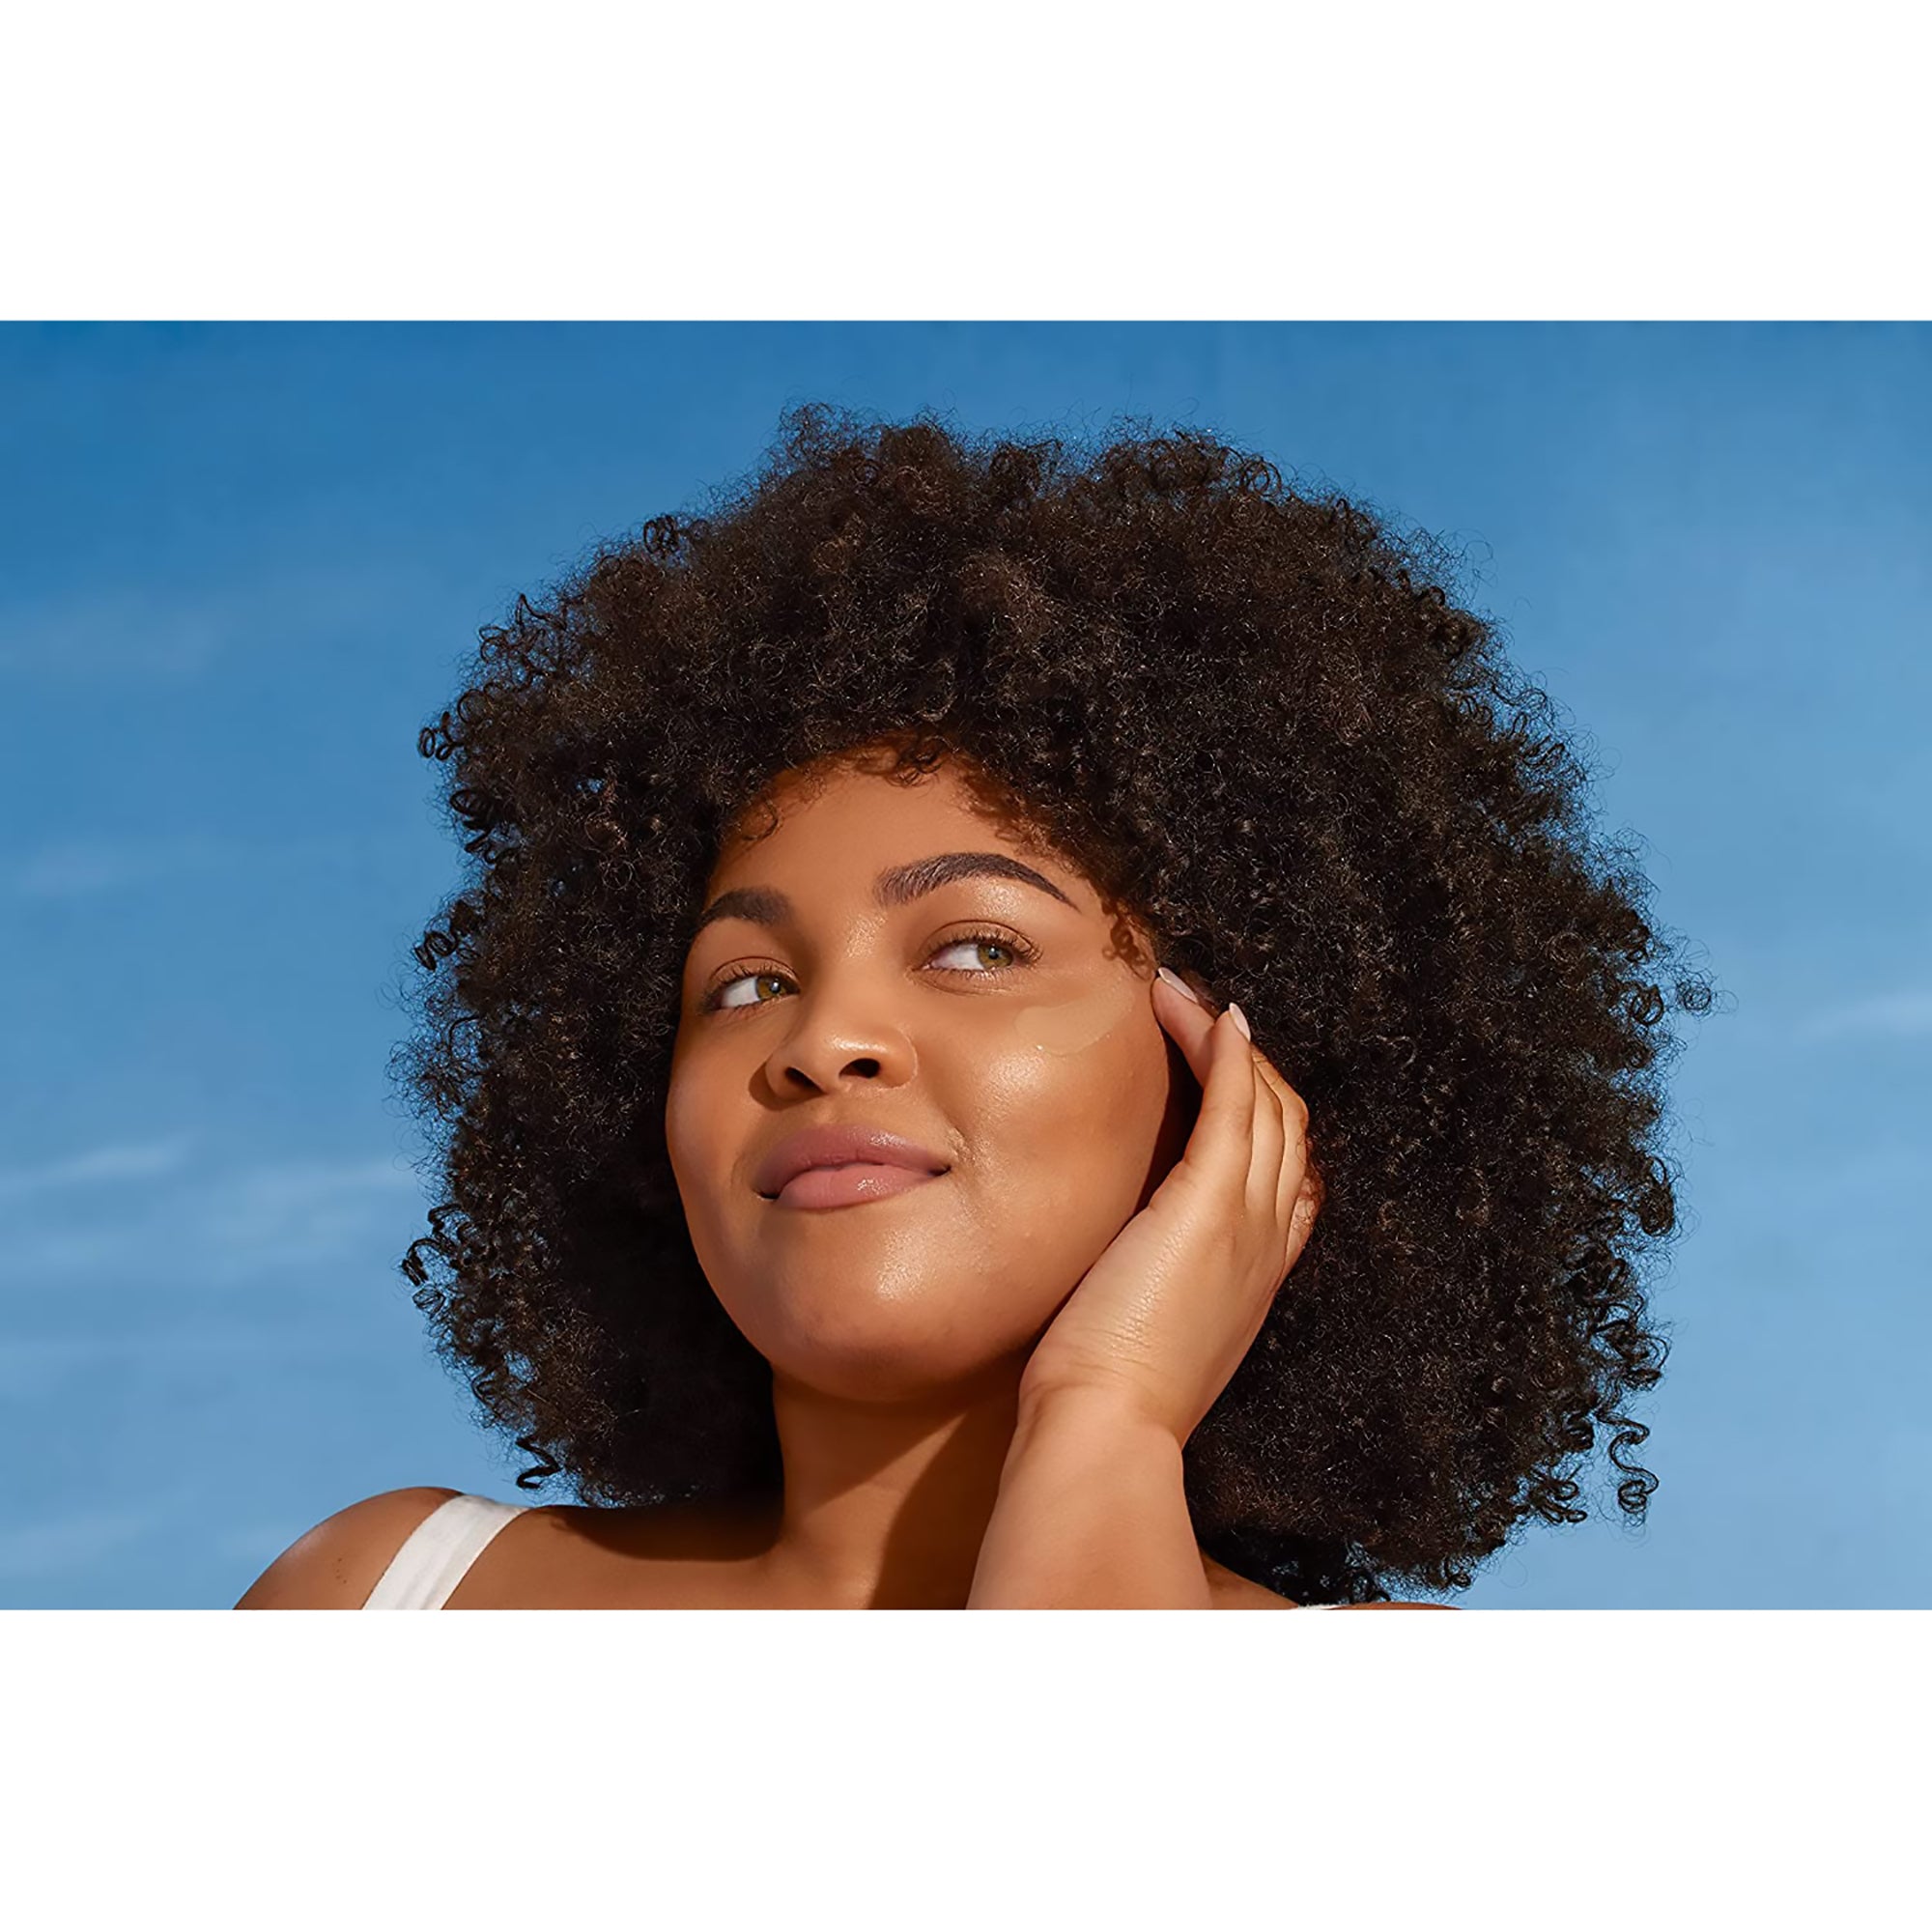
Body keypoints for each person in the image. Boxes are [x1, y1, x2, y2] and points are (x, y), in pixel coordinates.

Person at [237, 403, 1713, 1609]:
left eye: (977, 949)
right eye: (743, 984)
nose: (822, 1043)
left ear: (1230, 1072)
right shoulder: (379, 1600)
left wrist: (1109, 1418)